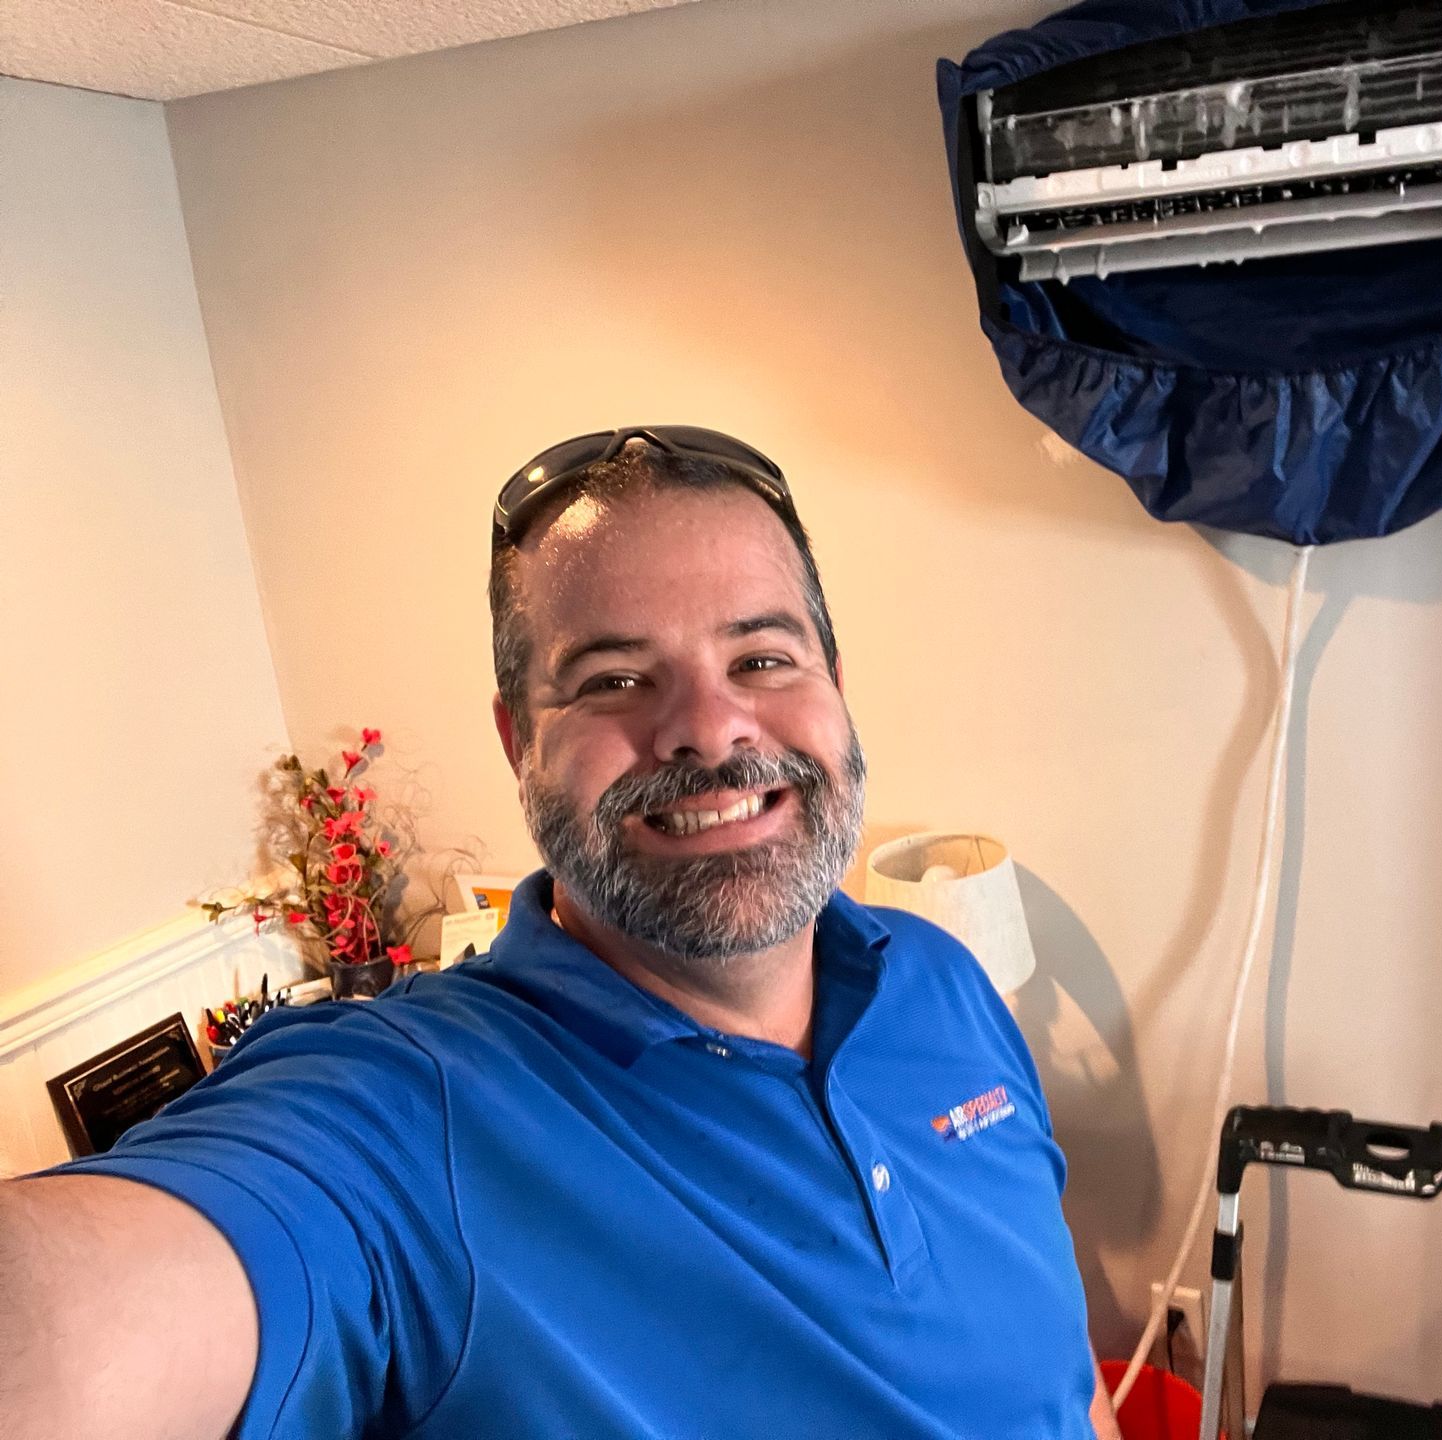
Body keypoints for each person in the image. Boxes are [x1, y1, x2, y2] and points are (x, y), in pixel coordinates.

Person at [0, 427, 1124, 1440]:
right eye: (616, 678)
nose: (707, 727)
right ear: (518, 742)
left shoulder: (940, 980)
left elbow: (1058, 1388)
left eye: (762, 657)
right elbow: (75, 1323)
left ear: (836, 682)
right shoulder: (409, 1112)